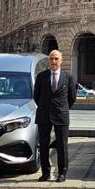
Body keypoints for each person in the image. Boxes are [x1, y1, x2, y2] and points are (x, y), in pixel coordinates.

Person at [33, 50, 77, 182]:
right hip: (44, 115)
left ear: (61, 61)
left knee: (62, 145)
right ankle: (45, 173)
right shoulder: (41, 76)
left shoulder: (68, 77)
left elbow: (72, 97)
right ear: (49, 61)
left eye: (56, 59)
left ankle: (62, 173)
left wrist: (62, 108)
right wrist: (45, 106)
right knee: (44, 145)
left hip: (61, 115)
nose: (53, 61)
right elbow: (37, 96)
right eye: (51, 59)